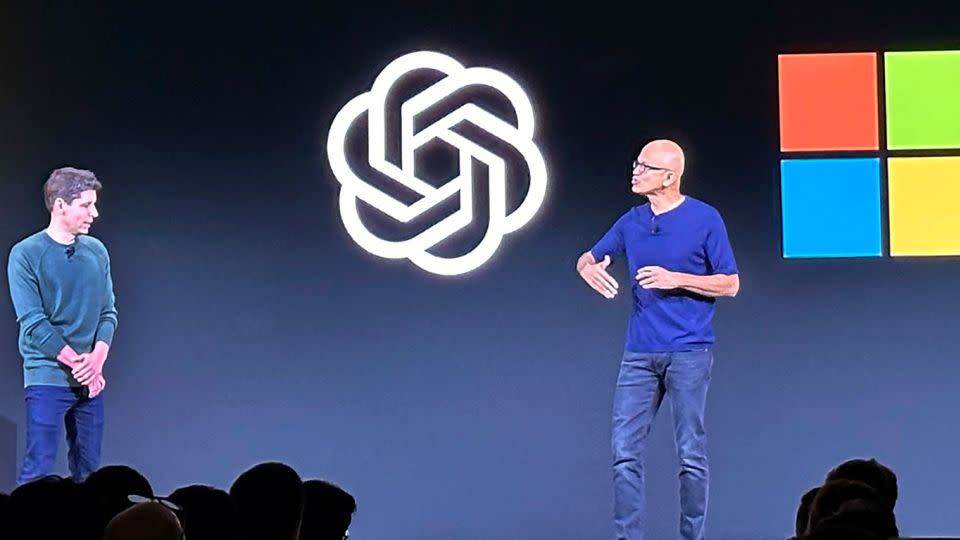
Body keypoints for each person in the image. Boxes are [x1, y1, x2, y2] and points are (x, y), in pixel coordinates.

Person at [576, 140, 739, 540]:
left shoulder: (704, 218)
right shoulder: (632, 220)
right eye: (635, 163)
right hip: (639, 354)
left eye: (644, 166)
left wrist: (676, 278)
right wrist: (586, 267)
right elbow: (590, 256)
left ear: (670, 177)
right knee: (624, 453)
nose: (635, 171)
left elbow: (730, 283)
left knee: (690, 455)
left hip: (689, 351)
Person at [7, 166, 118, 485]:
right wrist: (78, 364)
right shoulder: (26, 254)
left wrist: (96, 361)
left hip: (90, 380)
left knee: (91, 472)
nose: (93, 213)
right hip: (47, 376)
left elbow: (108, 312)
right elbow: (34, 323)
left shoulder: (97, 252)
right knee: (38, 469)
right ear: (59, 206)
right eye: (86, 205)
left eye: (94, 204)